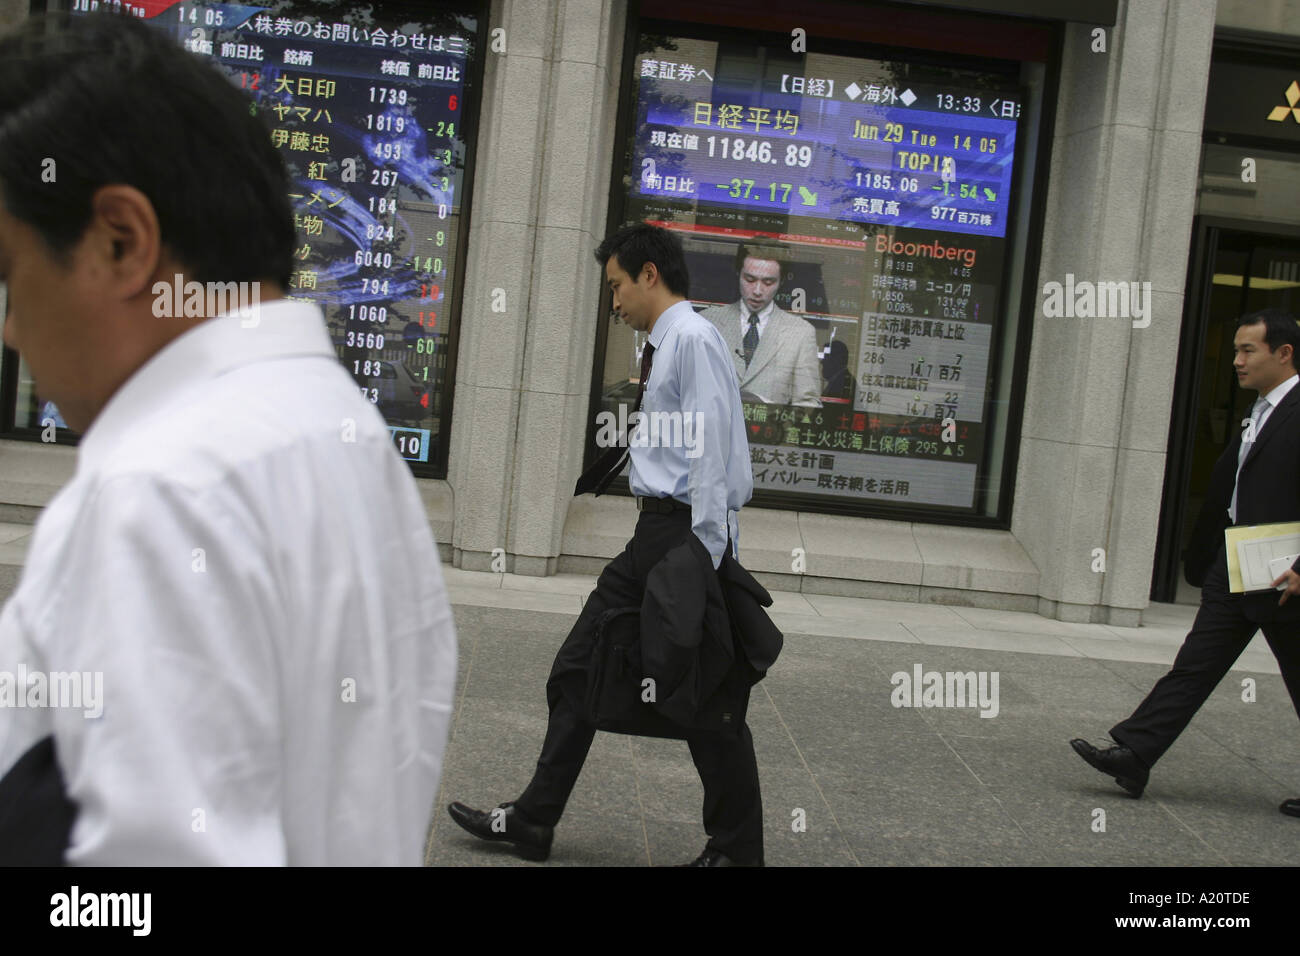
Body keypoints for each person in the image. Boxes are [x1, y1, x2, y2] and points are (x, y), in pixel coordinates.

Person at [0, 10, 456, 864]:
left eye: (8, 275)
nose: (12, 329)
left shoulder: (160, 491)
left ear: (120, 240)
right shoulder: (343, 433)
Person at [448, 223, 764, 866]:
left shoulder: (694, 341)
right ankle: (534, 821)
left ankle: (735, 849)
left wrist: (703, 558)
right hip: (659, 535)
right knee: (579, 669)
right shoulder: (668, 343)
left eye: (617, 285)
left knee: (704, 692)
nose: (613, 301)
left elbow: (711, 454)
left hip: (681, 541)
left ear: (650, 274)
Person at [1071, 309, 1300, 818]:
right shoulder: (1259, 410)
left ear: (1283, 354)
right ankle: (1135, 754)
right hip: (1238, 561)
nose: (1236, 361)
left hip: (1286, 573)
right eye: (1236, 349)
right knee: (1194, 666)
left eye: (1248, 351)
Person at [700, 245, 823, 407]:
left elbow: (808, 404)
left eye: (768, 282)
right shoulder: (706, 322)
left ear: (781, 281)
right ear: (738, 274)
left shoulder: (800, 333)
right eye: (749, 280)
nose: (757, 291)